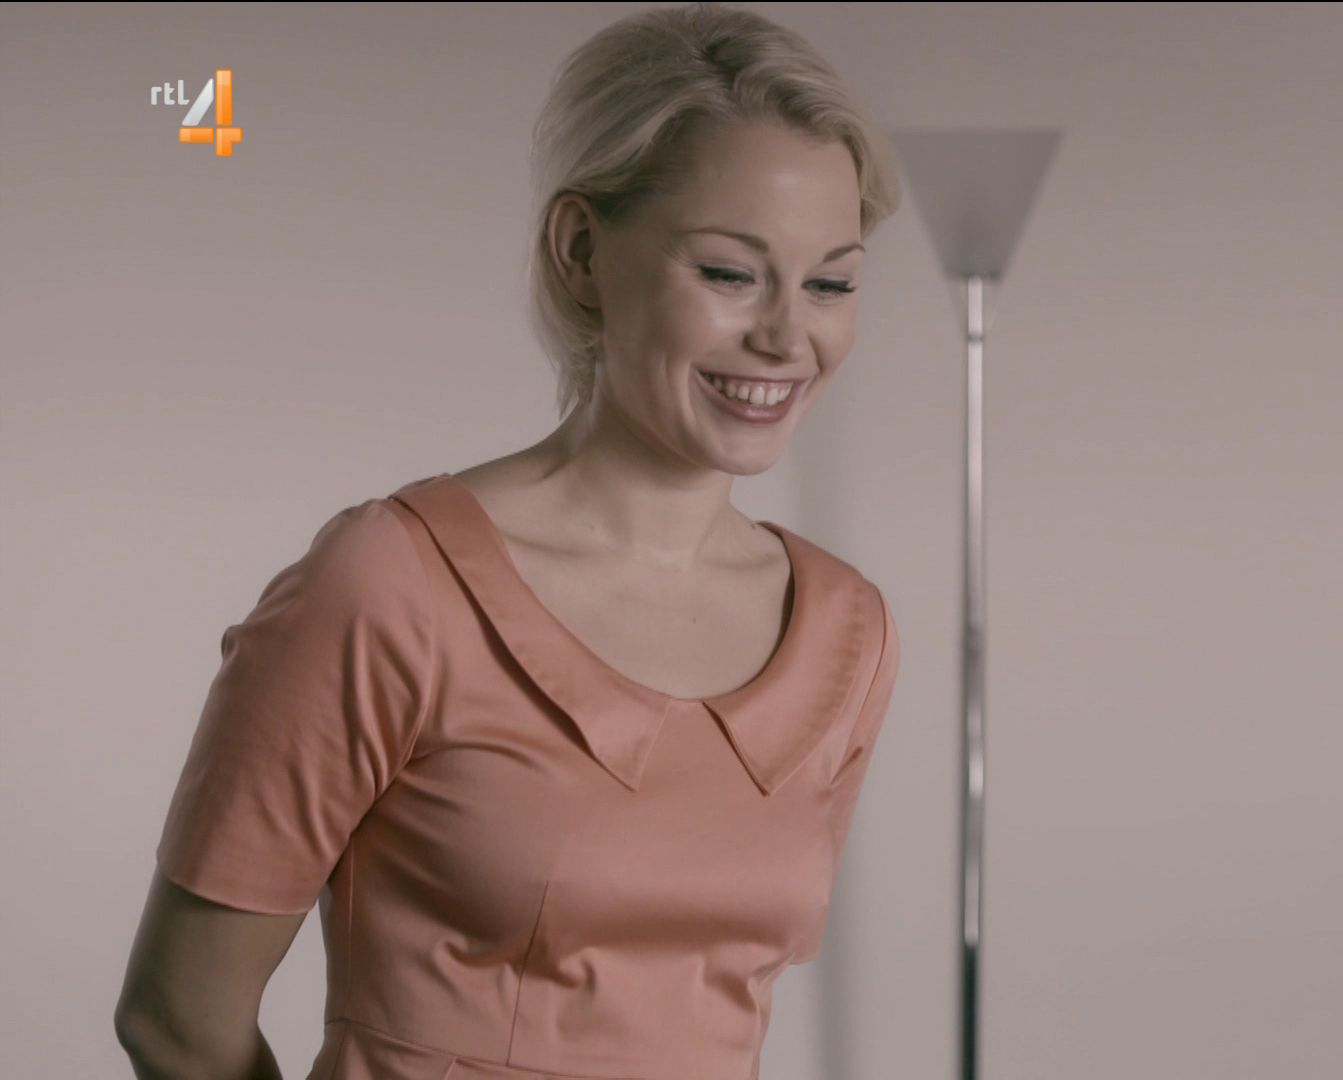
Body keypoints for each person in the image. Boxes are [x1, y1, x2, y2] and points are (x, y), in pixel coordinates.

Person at [114, 5, 906, 1077]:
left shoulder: (848, 632)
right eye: (729, 273)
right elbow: (178, 1020)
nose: (784, 335)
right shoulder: (393, 585)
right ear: (581, 253)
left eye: (831, 283)